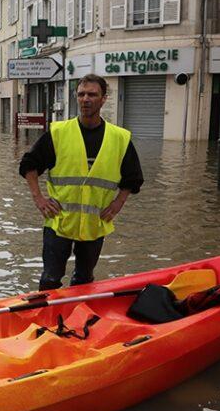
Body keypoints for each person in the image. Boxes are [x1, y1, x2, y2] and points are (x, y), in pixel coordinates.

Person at [19, 74, 144, 291]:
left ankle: (79, 318)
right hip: (59, 222)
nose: (86, 99)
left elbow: (132, 178)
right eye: (81, 94)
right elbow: (29, 165)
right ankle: (46, 319)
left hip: (94, 224)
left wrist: (118, 204)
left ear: (104, 98)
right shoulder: (59, 132)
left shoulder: (119, 138)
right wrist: (38, 198)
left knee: (84, 280)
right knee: (50, 279)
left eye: (92, 94)